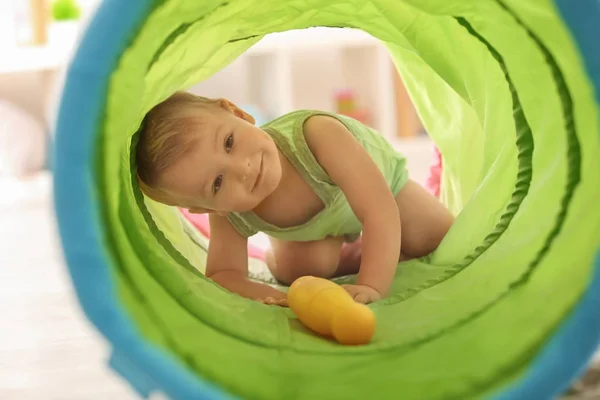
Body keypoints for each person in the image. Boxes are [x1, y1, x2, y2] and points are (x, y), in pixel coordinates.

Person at [136, 91, 454, 306]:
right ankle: (342, 249)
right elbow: (223, 274)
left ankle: (365, 248)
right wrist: (265, 295)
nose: (242, 168)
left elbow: (379, 211)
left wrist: (371, 285)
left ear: (236, 112)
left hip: (384, 191)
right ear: (206, 208)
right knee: (300, 274)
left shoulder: (316, 135)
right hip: (315, 230)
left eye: (229, 142)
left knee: (439, 237)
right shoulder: (226, 212)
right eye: (218, 183)